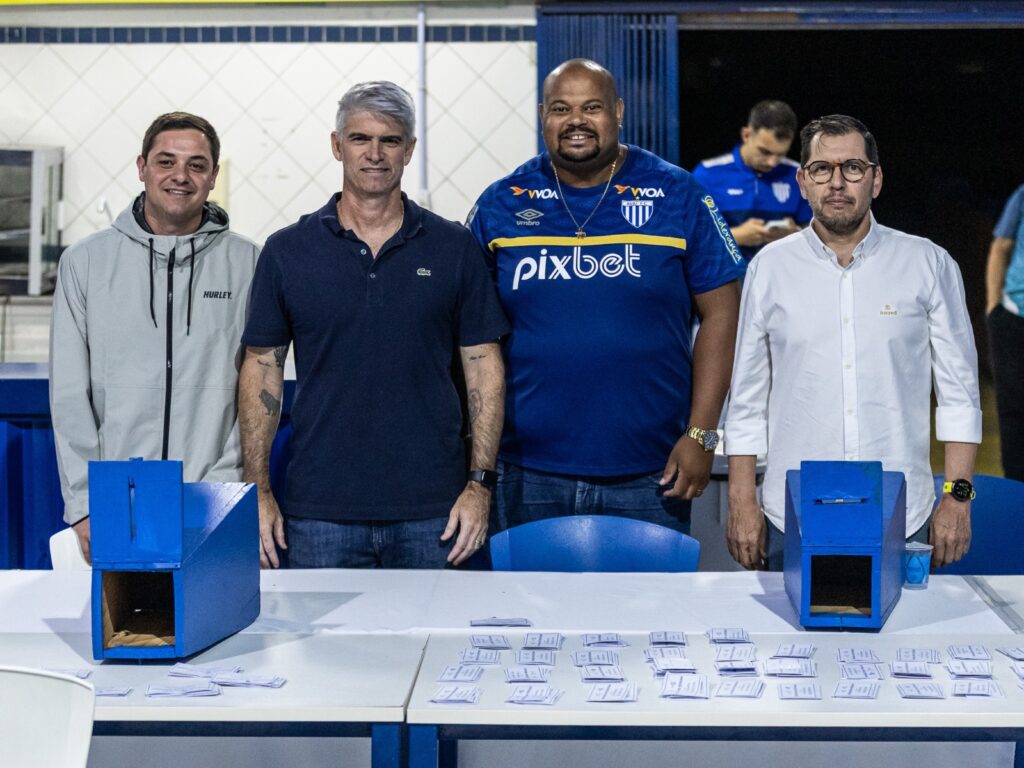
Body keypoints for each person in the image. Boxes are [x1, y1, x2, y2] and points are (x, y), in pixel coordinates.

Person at [240, 81, 509, 569]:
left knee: (443, 625)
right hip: (319, 512)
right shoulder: (287, 251)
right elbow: (262, 368)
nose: (375, 154)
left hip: (437, 511)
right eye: (360, 138)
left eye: (390, 140)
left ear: (409, 150)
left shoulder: (453, 248)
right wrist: (258, 490)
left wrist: (480, 485)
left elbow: (483, 368)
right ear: (337, 145)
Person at [467, 58, 743, 535]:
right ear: (543, 116)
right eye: (561, 109)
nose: (576, 120)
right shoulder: (501, 202)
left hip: (652, 473)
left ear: (618, 112)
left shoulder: (679, 194)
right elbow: (469, 332)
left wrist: (701, 435)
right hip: (524, 472)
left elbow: (723, 314)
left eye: (591, 107)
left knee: (648, 591)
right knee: (525, 590)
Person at [725, 114, 981, 571]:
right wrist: (742, 500)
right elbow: (745, 400)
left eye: (853, 168)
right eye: (822, 169)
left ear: (876, 180)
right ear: (803, 182)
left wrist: (958, 498)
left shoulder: (929, 264)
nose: (837, 182)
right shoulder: (769, 268)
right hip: (791, 518)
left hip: (901, 518)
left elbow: (960, 397)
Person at [50, 111, 260, 563]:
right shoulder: (85, 262)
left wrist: (225, 487)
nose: (180, 176)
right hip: (116, 500)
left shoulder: (250, 264)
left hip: (214, 497)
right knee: (124, 611)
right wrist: (86, 504)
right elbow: (69, 394)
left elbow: (257, 386)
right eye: (166, 162)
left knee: (211, 610)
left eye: (196, 165)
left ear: (213, 176)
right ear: (142, 167)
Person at [693, 100, 812, 261]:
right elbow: (690, 238)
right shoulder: (707, 174)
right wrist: (736, 236)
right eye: (765, 152)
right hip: (727, 274)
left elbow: (820, 237)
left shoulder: (798, 175)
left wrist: (794, 235)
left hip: (784, 272)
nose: (772, 162)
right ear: (746, 135)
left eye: (780, 154)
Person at [985, 185, 1024, 481]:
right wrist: (993, 306)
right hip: (1013, 316)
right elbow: (1001, 246)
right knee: (1013, 412)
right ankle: (1017, 489)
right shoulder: (1022, 195)